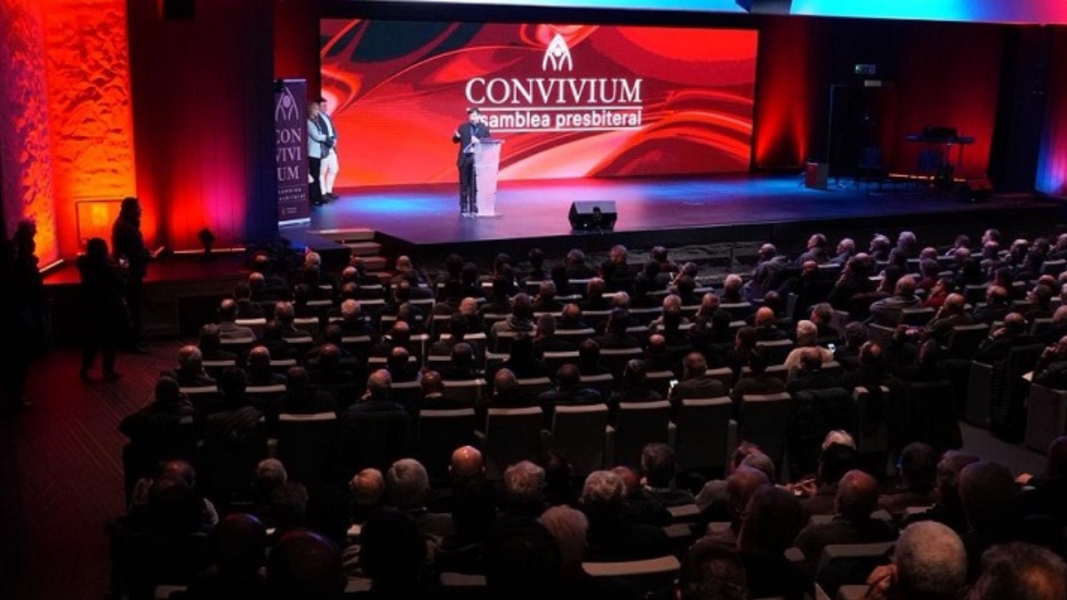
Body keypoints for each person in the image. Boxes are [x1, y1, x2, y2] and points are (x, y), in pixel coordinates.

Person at [78, 237, 127, 382]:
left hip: (90, 308)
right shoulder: (106, 268)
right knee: (109, 341)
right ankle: (108, 371)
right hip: (108, 309)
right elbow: (121, 284)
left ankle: (85, 369)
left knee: (91, 342)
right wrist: (122, 271)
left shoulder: (85, 264)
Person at [112, 197, 149, 351]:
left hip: (129, 272)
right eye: (138, 208)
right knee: (134, 308)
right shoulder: (126, 228)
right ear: (130, 210)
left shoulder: (123, 225)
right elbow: (128, 254)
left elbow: (122, 255)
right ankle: (134, 342)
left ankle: (134, 340)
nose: (140, 211)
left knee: (133, 308)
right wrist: (144, 257)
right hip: (132, 274)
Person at [452, 107, 491, 216]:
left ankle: (473, 205)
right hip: (464, 158)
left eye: (474, 115)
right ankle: (463, 206)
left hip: (477, 159)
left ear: (479, 116)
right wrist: (456, 136)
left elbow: (488, 143)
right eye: (470, 116)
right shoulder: (463, 127)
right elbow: (455, 140)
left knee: (474, 184)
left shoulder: (484, 128)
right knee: (464, 184)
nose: (471, 117)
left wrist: (478, 141)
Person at [316, 96, 340, 201]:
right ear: (317, 107)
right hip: (324, 147)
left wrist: (335, 139)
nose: (325, 107)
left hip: (331, 147)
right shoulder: (316, 119)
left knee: (334, 169)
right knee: (322, 172)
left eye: (326, 105)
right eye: (323, 105)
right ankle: (323, 193)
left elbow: (333, 130)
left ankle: (329, 191)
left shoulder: (327, 116)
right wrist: (330, 142)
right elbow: (320, 134)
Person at [307, 101, 329, 207]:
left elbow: (320, 134)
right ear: (310, 110)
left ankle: (318, 196)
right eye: (315, 108)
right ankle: (314, 197)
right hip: (312, 153)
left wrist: (323, 136)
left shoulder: (315, 122)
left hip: (317, 152)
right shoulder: (308, 123)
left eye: (317, 108)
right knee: (314, 176)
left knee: (317, 175)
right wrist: (326, 137)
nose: (317, 110)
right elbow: (316, 136)